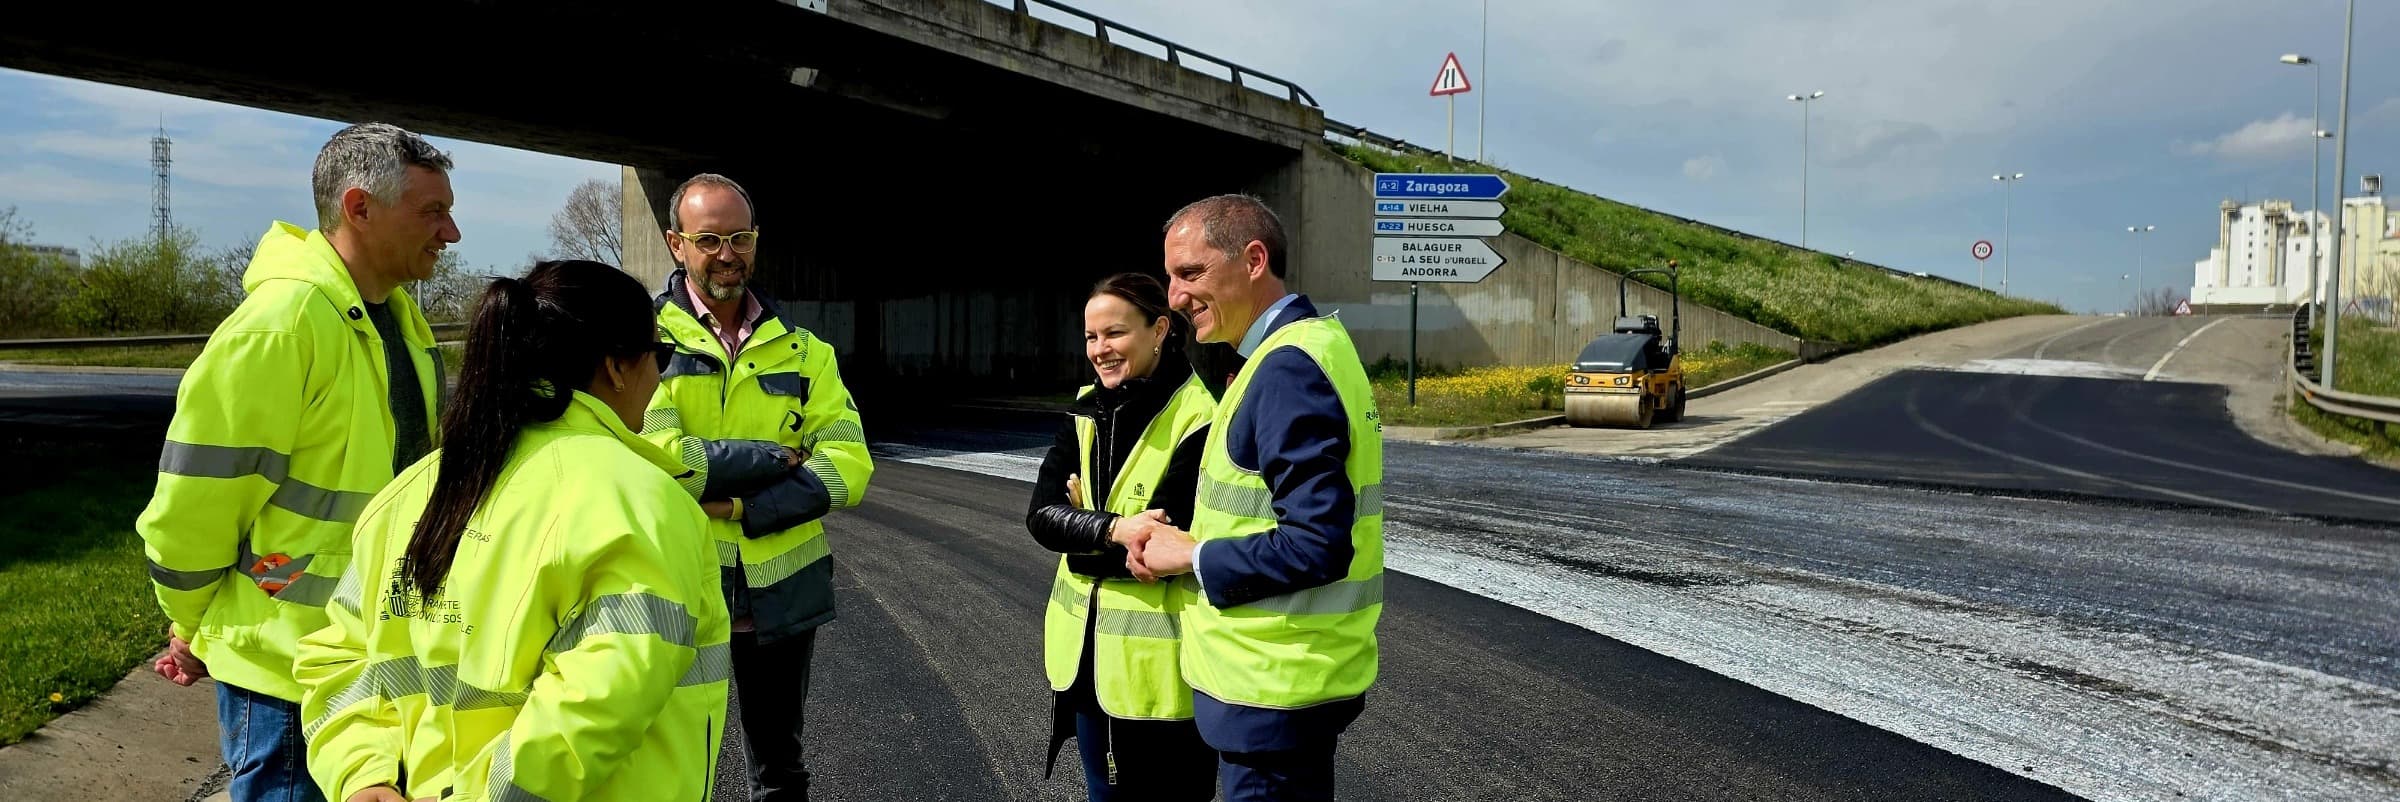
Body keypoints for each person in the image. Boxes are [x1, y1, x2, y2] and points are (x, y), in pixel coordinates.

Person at [293, 259, 731, 802]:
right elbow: (594, 709)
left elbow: (337, 654)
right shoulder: (643, 502)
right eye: (658, 358)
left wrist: (361, 775)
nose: (657, 379)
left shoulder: (416, 489)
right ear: (617, 366)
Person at [134, 121, 456, 802]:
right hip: (290, 673)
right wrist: (190, 620)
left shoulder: (400, 319)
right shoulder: (282, 323)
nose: (449, 233)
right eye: (432, 212)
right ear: (359, 208)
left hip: (375, 656)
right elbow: (196, 500)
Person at [1127, 194, 1385, 802]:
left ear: (1253, 259)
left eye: (1191, 273)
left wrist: (1188, 557)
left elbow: (1316, 544)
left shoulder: (1286, 367)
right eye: (1171, 277)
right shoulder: (1310, 346)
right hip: (1286, 680)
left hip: (1272, 689)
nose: (1174, 297)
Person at [639, 172, 874, 802]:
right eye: (709, 239)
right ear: (675, 243)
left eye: (739, 237)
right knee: (675, 759)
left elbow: (850, 464)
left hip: (781, 595)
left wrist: (742, 503)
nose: (726, 253)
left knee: (780, 765)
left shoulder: (804, 352)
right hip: (678, 588)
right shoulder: (641, 344)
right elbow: (656, 458)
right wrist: (775, 457)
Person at [1026, 272, 1219, 800]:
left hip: (1163, 676)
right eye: (1091, 337)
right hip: (1087, 669)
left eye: (1115, 334)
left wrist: (1085, 527)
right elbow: (1041, 518)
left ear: (1159, 330)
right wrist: (1117, 527)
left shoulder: (1200, 418)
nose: (1100, 350)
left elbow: (1165, 548)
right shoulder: (1087, 408)